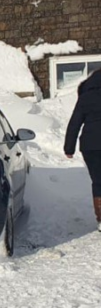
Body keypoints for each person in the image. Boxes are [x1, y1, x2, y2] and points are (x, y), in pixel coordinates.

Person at [65, 69, 101, 232]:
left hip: (91, 145)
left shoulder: (85, 98)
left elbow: (75, 123)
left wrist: (69, 147)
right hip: (92, 144)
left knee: (98, 181)